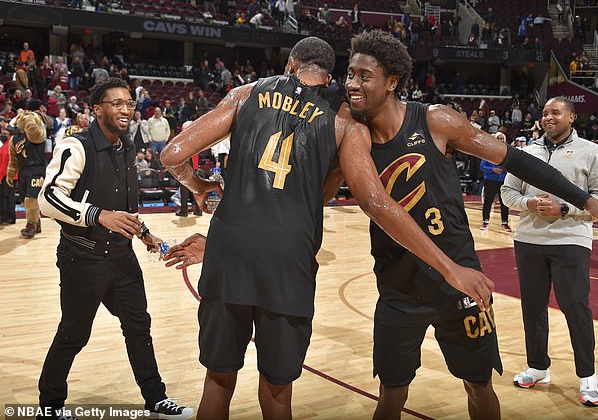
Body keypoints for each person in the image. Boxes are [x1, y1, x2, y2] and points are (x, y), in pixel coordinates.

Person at [160, 36, 500, 420]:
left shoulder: (245, 94)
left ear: (291, 65)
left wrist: (200, 187)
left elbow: (172, 154)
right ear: (330, 77)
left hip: (229, 252)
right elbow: (371, 200)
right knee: (277, 389)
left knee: (218, 381)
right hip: (289, 261)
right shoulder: (345, 121)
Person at [341, 30, 598, 420]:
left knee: (479, 385)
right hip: (398, 287)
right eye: (349, 74)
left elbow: (517, 161)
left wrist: (587, 200)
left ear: (392, 82)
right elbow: (372, 204)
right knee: (391, 393)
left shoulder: (436, 120)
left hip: (460, 284)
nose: (351, 84)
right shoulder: (352, 135)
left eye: (362, 76)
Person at [36, 78, 194, 420]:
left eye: (129, 104)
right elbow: (47, 199)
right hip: (83, 259)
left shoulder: (125, 147)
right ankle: (49, 407)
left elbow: (122, 207)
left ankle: (156, 399)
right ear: (97, 109)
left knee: (139, 328)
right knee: (73, 335)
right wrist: (97, 215)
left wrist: (145, 233)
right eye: (116, 103)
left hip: (122, 259)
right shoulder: (75, 147)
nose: (125, 109)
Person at [501, 97, 598, 407]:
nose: (548, 117)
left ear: (572, 117)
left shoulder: (591, 153)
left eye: (555, 112)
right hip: (528, 240)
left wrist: (563, 209)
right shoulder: (525, 152)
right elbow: (507, 192)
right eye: (545, 113)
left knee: (576, 307)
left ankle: (588, 377)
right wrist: (529, 204)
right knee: (533, 308)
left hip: (570, 241)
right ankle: (538, 366)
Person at [480, 132, 511, 232]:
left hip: (503, 181)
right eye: (498, 138)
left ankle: (505, 222)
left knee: (504, 202)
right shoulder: (488, 151)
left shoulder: (507, 152)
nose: (500, 140)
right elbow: (482, 166)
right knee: (488, 202)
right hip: (490, 180)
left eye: (502, 138)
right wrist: (493, 169)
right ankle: (485, 221)